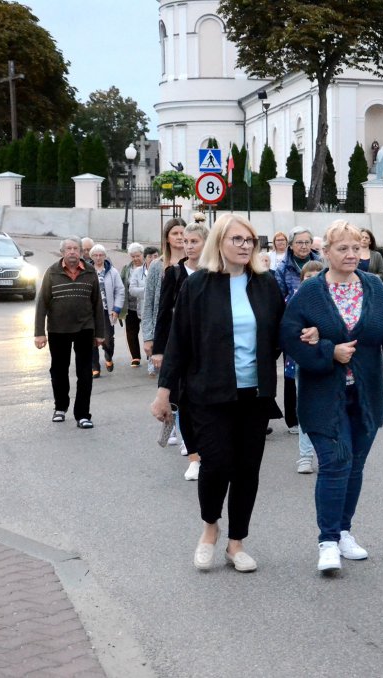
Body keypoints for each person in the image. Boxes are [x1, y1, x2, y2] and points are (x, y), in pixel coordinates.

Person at [150, 214, 285, 573]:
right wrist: (164, 392)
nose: (244, 246)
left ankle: (236, 543)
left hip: (254, 395)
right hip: (209, 394)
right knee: (216, 465)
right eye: (237, 240)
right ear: (219, 243)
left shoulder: (266, 284)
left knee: (247, 469)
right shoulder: (198, 286)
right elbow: (178, 342)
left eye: (250, 241)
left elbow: (279, 335)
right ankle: (210, 528)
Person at [279, 220, 383, 574]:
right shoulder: (310, 292)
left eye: (357, 248)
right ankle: (327, 541)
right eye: (343, 248)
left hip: (366, 395)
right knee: (336, 462)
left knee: (355, 465)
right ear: (326, 253)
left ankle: (343, 532)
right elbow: (290, 337)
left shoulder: (373, 286)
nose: (352, 254)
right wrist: (328, 351)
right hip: (323, 396)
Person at [153, 221, 210, 481]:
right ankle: (194, 457)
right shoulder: (175, 273)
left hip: (210, 348)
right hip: (182, 347)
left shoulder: (215, 272)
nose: (188, 246)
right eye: (185, 242)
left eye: (194, 242)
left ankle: (209, 447)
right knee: (184, 400)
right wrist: (158, 349)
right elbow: (163, 313)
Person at [34, 237, 105, 429]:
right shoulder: (52, 272)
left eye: (76, 248)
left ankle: (83, 414)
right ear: (62, 252)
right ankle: (60, 407)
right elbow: (42, 303)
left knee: (85, 373)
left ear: (81, 252)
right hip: (58, 329)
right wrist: (39, 332)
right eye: (69, 249)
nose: (72, 251)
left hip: (85, 328)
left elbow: (97, 303)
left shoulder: (90, 272)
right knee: (58, 370)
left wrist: (100, 332)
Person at [275, 227, 321, 435]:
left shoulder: (321, 263)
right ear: (291, 245)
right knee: (291, 373)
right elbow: (278, 297)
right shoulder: (283, 267)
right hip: (293, 328)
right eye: (299, 242)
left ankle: (316, 413)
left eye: (306, 242)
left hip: (318, 327)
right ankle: (293, 419)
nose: (303, 246)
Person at [289, 259, 325, 474]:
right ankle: (305, 456)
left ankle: (324, 455)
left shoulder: (332, 303)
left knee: (328, 411)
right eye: (307, 278)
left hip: (329, 363)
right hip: (303, 364)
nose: (312, 281)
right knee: (305, 410)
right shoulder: (295, 303)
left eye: (316, 277)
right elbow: (289, 332)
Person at [142, 218, 187, 377]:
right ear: (167, 238)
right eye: (175, 233)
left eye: (183, 233)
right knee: (167, 380)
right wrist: (148, 336)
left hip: (187, 329)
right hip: (163, 329)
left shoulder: (193, 263)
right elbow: (148, 303)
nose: (180, 237)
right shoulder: (157, 265)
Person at [88, 244, 125, 378]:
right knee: (91, 340)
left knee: (108, 339)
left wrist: (116, 309)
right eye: (95, 255)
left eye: (101, 255)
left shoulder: (112, 272)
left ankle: (108, 356)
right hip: (90, 312)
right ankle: (95, 367)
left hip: (106, 311)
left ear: (105, 256)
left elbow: (120, 291)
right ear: (91, 257)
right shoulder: (86, 271)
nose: (98, 258)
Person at [121, 243, 147, 368]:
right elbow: (121, 285)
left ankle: (150, 354)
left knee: (148, 331)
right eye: (133, 256)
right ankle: (135, 357)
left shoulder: (148, 267)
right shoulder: (127, 268)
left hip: (145, 305)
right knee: (131, 332)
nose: (136, 258)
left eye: (138, 255)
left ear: (143, 255)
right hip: (130, 306)